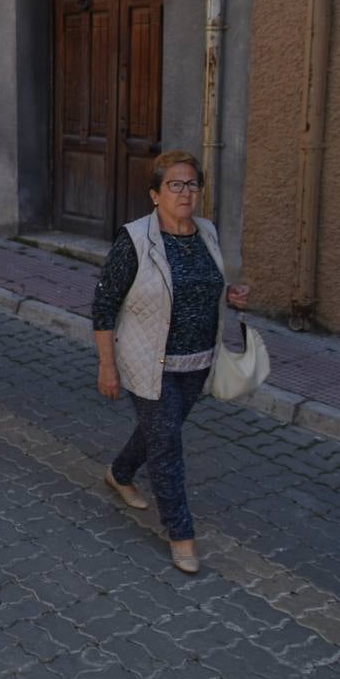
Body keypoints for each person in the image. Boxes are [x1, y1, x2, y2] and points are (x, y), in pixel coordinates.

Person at [93, 150, 250, 574]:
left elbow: (207, 284)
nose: (185, 192)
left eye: (192, 184)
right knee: (168, 448)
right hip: (150, 364)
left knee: (160, 431)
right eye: (175, 185)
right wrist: (107, 367)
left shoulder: (207, 232)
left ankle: (119, 473)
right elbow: (104, 306)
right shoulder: (135, 239)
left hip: (198, 362)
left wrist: (229, 293)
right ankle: (181, 534)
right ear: (156, 194)